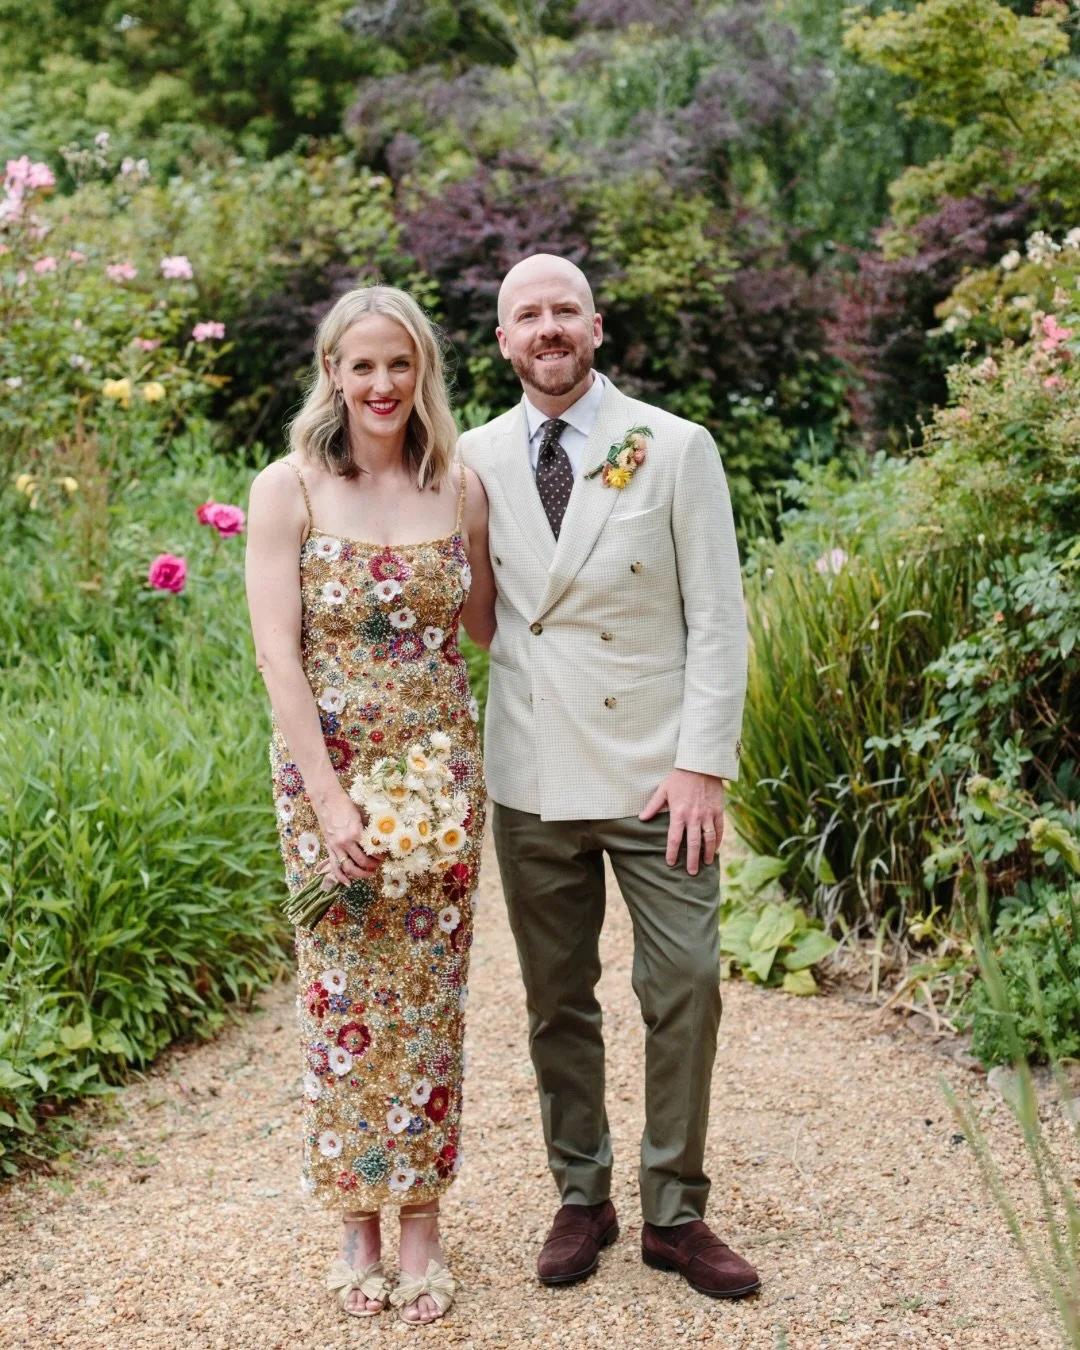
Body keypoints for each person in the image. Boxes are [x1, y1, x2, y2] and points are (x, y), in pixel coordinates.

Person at [458, 254, 759, 1301]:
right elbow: (471, 609)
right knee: (556, 1000)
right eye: (525, 314)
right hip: (532, 773)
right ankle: (580, 1195)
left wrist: (701, 766)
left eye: (564, 310)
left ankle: (676, 1211)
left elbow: (719, 617)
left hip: (656, 777)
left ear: (596, 326)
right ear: (502, 340)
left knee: (685, 984)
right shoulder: (471, 457)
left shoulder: (672, 447)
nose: (547, 328)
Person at [245, 284, 495, 1325]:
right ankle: (356, 1225)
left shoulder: (462, 487)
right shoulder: (288, 487)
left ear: (422, 372)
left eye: (400, 365)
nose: (382, 385)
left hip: (441, 784)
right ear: (333, 374)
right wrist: (333, 803)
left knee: (430, 1004)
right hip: (327, 780)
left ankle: (424, 1225)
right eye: (362, 366)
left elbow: (487, 630)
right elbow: (277, 654)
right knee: (344, 1002)